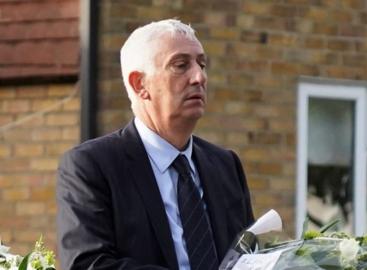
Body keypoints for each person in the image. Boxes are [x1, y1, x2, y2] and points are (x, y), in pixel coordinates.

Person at [56, 19, 254, 270]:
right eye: (180, 65)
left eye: (202, 64)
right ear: (140, 85)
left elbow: (249, 256)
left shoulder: (226, 166)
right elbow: (88, 264)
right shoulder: (92, 166)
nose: (199, 77)